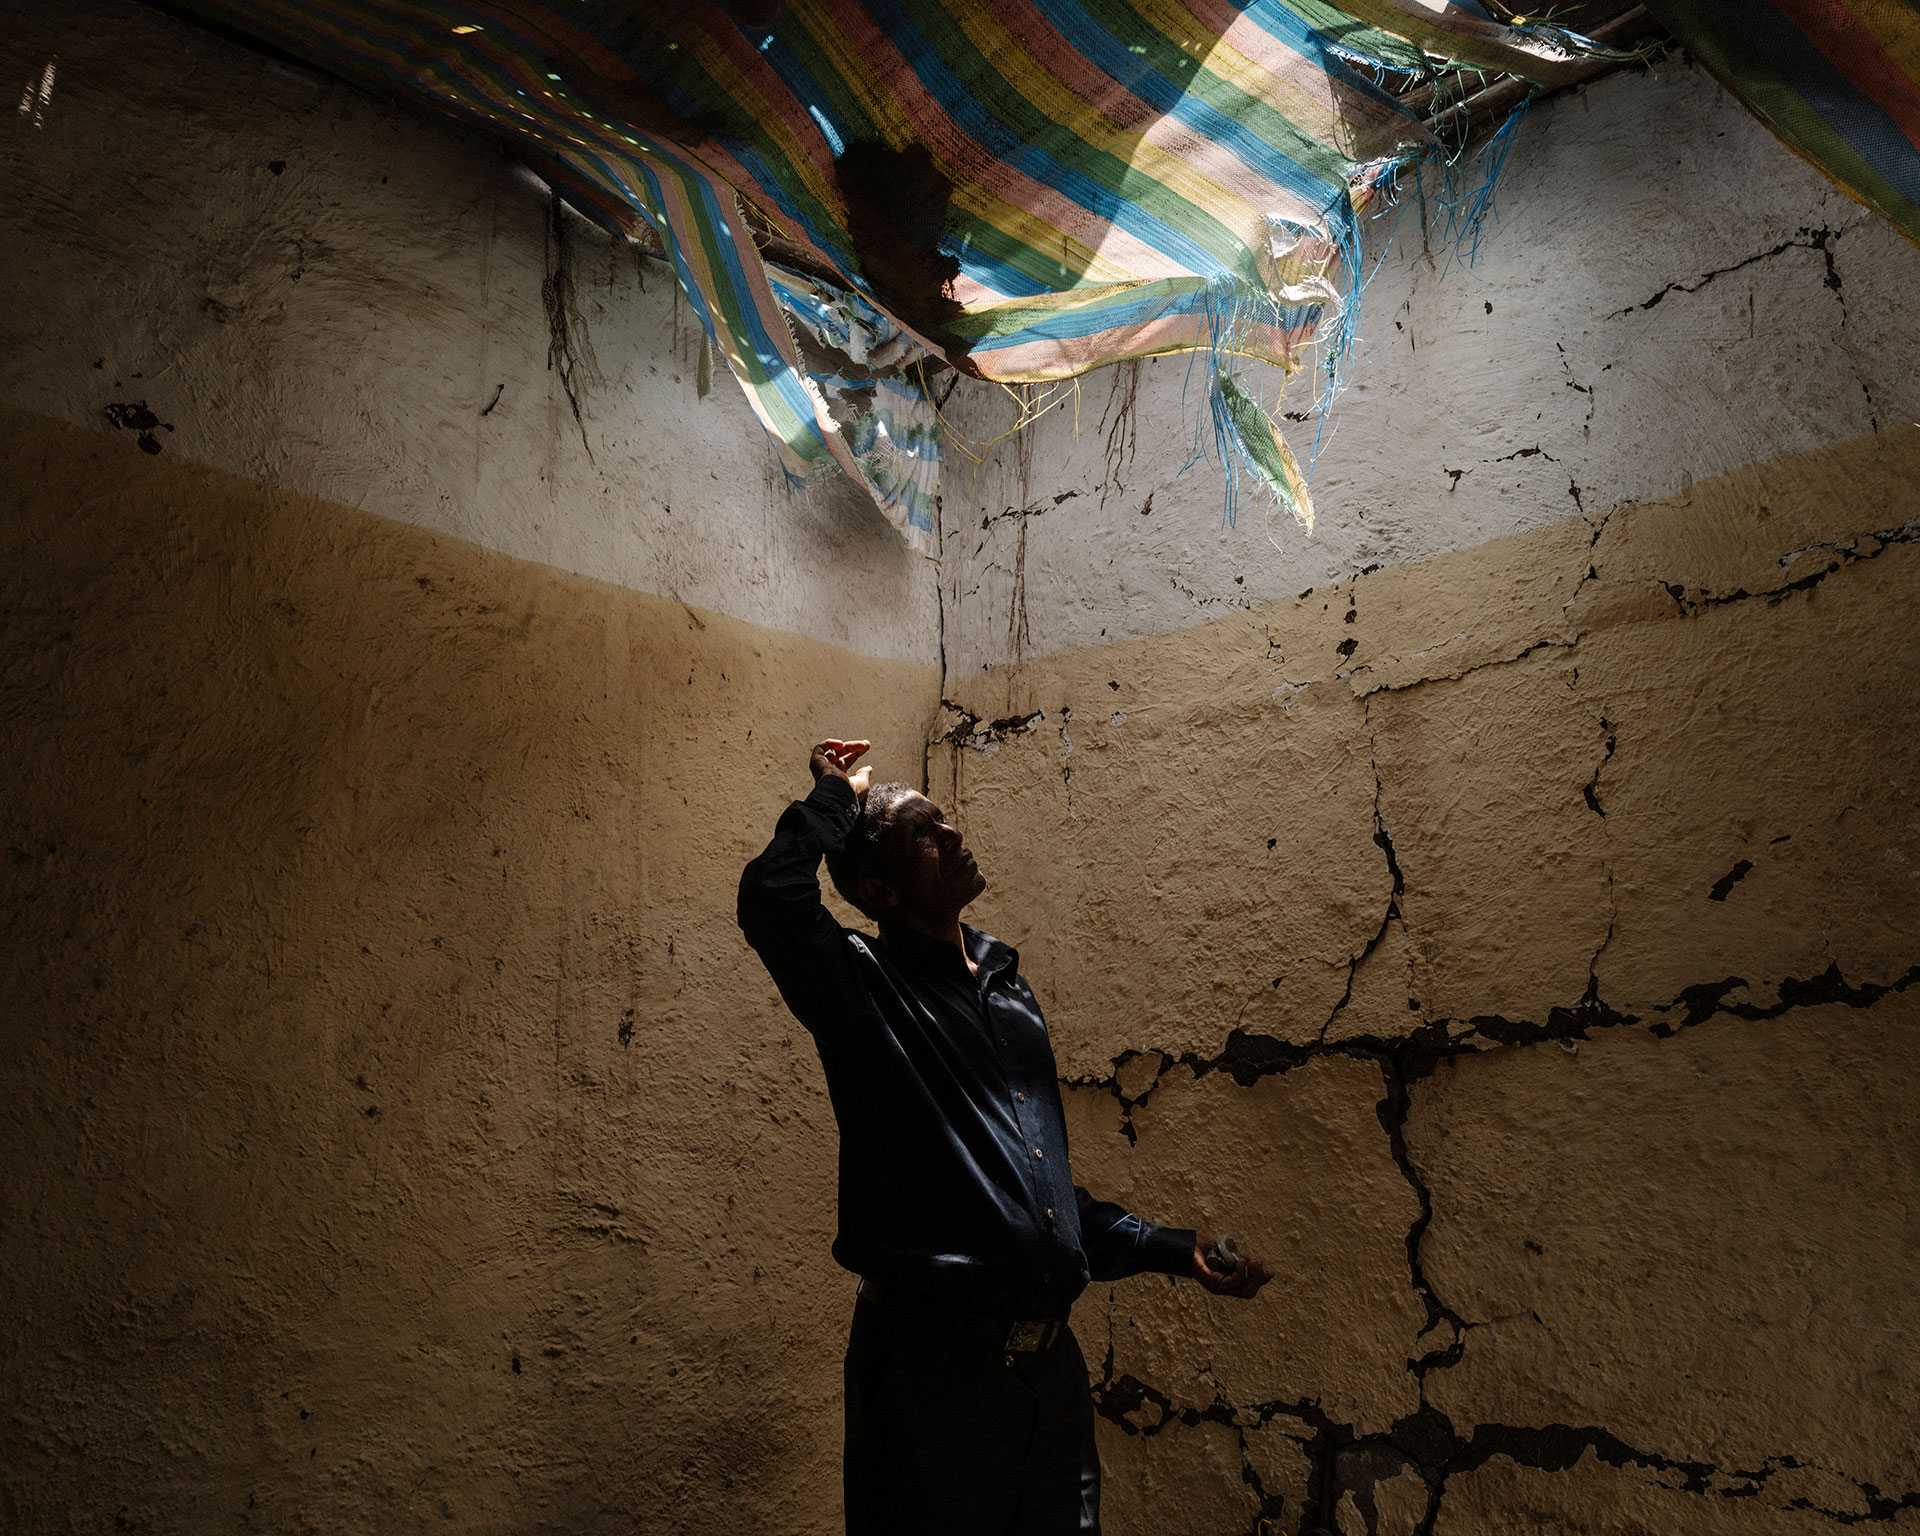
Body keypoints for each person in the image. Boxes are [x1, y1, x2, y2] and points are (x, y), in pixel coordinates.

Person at [738, 737, 1272, 1536]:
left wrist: (1171, 1249)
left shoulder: (1008, 992)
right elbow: (772, 897)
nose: (951, 834)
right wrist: (835, 800)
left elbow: (1037, 1201)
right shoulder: (863, 987)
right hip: (933, 1386)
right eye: (924, 834)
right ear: (880, 890)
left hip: (1049, 1381)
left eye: (943, 820)